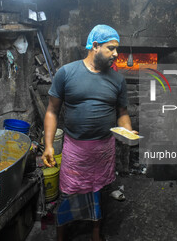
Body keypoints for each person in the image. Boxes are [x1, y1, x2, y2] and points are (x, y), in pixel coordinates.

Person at [42, 24, 136, 241]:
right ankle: (62, 235)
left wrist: (128, 131)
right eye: (111, 48)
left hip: (103, 150)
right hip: (75, 150)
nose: (116, 54)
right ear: (95, 46)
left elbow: (122, 112)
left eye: (116, 49)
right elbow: (52, 110)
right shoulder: (67, 73)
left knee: (97, 194)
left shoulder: (117, 80)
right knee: (68, 193)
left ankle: (96, 235)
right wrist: (48, 145)